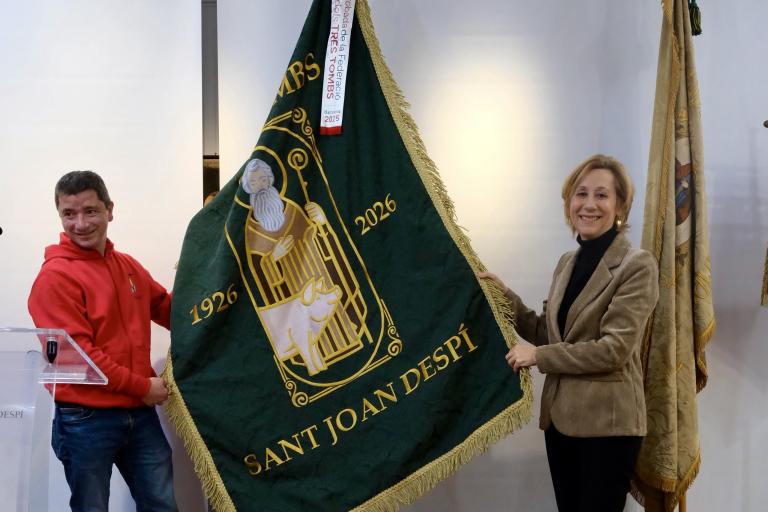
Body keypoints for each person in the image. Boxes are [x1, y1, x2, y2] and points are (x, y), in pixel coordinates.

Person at [480, 154, 659, 512]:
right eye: (580, 194)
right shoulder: (567, 263)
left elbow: (613, 349)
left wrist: (539, 357)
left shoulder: (637, 265)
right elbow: (551, 335)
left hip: (608, 428)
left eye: (602, 195)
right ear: (569, 203)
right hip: (562, 424)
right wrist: (505, 299)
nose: (589, 204)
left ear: (620, 205)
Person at [28, 170, 178, 512]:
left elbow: (168, 310)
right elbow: (79, 357)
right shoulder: (54, 278)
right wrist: (142, 387)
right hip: (85, 420)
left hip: (138, 415)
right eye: (69, 213)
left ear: (110, 210)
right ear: (60, 215)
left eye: (90, 211)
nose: (80, 223)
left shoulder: (128, 267)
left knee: (162, 505)